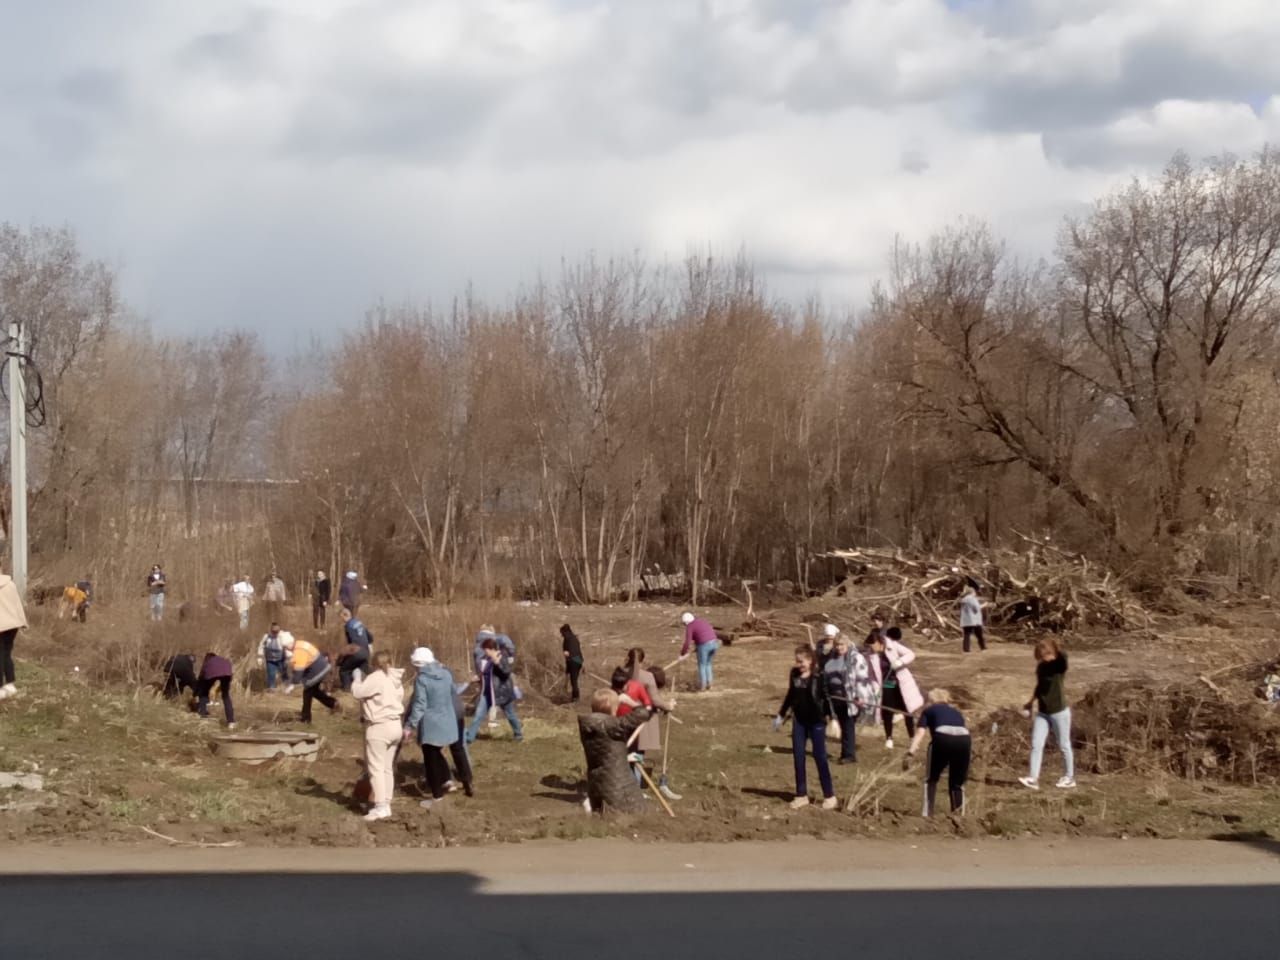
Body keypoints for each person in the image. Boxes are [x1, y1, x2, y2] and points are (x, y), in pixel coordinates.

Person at [773, 644, 838, 810]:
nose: (798, 665)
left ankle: (829, 796)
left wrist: (833, 719)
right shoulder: (794, 674)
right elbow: (790, 695)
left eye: (801, 661)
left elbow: (827, 697)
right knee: (798, 756)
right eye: (797, 661)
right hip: (799, 721)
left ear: (810, 660)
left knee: (819, 757)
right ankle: (801, 795)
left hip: (816, 721)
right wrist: (781, 715)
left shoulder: (819, 675)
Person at [404, 647, 464, 810]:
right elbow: (453, 692)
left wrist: (410, 725)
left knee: (430, 760)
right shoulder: (446, 674)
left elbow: (420, 705)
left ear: (419, 664)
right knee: (437, 754)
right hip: (448, 721)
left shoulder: (422, 679)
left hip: (431, 725)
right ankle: (447, 780)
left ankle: (437, 797)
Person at [351, 649, 405, 822]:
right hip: (396, 725)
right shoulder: (396, 679)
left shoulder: (376, 678)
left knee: (376, 768)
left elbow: (358, 692)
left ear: (374, 664)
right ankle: (387, 803)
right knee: (387, 767)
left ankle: (380, 806)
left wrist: (357, 678)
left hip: (379, 726)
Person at [578, 688, 651, 813]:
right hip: (616, 786)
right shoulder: (612, 726)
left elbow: (605, 754)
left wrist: (625, 757)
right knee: (639, 811)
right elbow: (643, 713)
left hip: (595, 783)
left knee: (600, 811)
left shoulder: (587, 725)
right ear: (614, 708)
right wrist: (630, 702)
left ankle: (592, 807)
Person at [1019, 637, 1076, 790]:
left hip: (1059, 712)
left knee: (1064, 745)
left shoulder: (1059, 666)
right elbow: (1039, 687)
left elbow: (1064, 658)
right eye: (1039, 656)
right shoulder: (1041, 667)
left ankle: (1069, 777)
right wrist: (1030, 703)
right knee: (1036, 744)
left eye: (1044, 655)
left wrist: (1056, 648)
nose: (1042, 659)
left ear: (1051, 653)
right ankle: (1033, 778)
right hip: (1043, 712)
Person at [905, 688, 971, 816]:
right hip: (964, 740)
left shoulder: (928, 711)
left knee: (931, 779)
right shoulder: (957, 712)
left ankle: (927, 815)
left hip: (942, 737)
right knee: (957, 783)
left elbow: (920, 733)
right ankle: (959, 817)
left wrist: (910, 752)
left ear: (931, 700)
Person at [624, 648, 676, 781]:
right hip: (640, 719)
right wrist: (668, 706)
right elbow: (655, 700)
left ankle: (625, 785)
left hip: (622, 717)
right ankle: (635, 788)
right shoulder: (647, 677)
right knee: (637, 754)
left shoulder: (621, 673)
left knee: (626, 752)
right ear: (643, 660)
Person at [867, 626, 923, 749]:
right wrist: (876, 688)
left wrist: (900, 662)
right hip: (887, 684)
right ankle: (889, 738)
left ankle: (912, 737)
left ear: (880, 642)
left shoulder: (892, 645)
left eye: (873, 645)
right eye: (870, 646)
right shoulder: (871, 655)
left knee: (907, 710)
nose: (871, 648)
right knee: (887, 711)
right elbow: (871, 675)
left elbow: (910, 654)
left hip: (901, 682)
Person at [465, 639, 522, 743]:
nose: (484, 652)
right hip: (487, 692)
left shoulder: (502, 656)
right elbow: (487, 674)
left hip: (502, 692)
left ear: (491, 649)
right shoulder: (487, 659)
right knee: (478, 715)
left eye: (485, 649)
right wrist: (479, 678)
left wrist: (497, 663)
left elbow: (506, 673)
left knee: (510, 714)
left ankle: (518, 734)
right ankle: (469, 737)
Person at [820, 625, 862, 764]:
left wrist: (859, 696)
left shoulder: (855, 658)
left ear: (847, 644)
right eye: (837, 645)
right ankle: (843, 753)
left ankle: (849, 755)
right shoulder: (831, 659)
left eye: (842, 644)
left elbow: (862, 678)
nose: (839, 647)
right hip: (834, 697)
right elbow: (825, 675)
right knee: (840, 724)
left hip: (850, 698)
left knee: (847, 725)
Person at [283, 635, 340, 723]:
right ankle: (333, 703)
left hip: (317, 670)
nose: (287, 649)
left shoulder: (299, 652)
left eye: (286, 647)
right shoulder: (300, 643)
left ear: (290, 644)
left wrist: (292, 684)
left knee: (307, 692)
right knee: (314, 691)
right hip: (322, 666)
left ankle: (306, 719)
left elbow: (299, 671)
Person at [0, 573, 28, 701]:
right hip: (12, 625)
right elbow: (17, 604)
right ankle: (10, 684)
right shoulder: (10, 584)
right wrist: (23, 622)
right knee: (6, 653)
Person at [678, 611, 720, 692]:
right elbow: (705, 634)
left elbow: (687, 642)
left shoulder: (690, 626)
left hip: (704, 645)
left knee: (702, 665)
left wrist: (682, 654)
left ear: (686, 622)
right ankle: (710, 685)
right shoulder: (701, 621)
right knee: (708, 664)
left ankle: (703, 687)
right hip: (714, 643)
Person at [194, 652, 236, 729]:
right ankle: (231, 722)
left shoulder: (208, 662)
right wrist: (223, 688)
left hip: (212, 674)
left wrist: (196, 693)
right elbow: (230, 674)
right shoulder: (223, 660)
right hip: (227, 674)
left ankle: (202, 716)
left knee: (204, 693)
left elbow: (200, 678)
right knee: (226, 696)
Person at [338, 607, 373, 691]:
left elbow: (351, 643)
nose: (341, 620)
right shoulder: (359, 622)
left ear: (344, 616)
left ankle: (347, 689)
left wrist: (344, 655)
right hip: (366, 651)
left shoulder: (348, 626)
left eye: (341, 617)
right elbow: (370, 637)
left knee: (344, 670)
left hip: (357, 651)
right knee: (363, 670)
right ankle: (368, 687)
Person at [257, 622, 295, 691]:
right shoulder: (266, 637)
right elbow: (261, 646)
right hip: (270, 660)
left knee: (284, 673)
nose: (275, 633)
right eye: (273, 631)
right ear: (271, 630)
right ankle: (272, 689)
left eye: (276, 631)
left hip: (281, 659)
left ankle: (288, 687)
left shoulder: (283, 637)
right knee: (271, 675)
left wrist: (289, 658)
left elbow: (287, 648)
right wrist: (260, 657)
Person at [561, 623, 584, 702]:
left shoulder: (567, 639)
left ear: (565, 632)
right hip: (578, 660)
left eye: (562, 633)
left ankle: (575, 698)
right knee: (574, 680)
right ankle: (575, 696)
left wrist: (568, 667)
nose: (561, 635)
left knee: (573, 680)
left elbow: (569, 654)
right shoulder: (574, 638)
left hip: (573, 660)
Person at [960, 585, 986, 652]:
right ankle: (983, 647)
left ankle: (966, 649)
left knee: (966, 635)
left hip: (966, 620)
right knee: (979, 634)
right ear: (972, 592)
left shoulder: (963, 599)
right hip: (974, 620)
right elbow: (976, 608)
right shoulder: (972, 599)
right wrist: (985, 605)